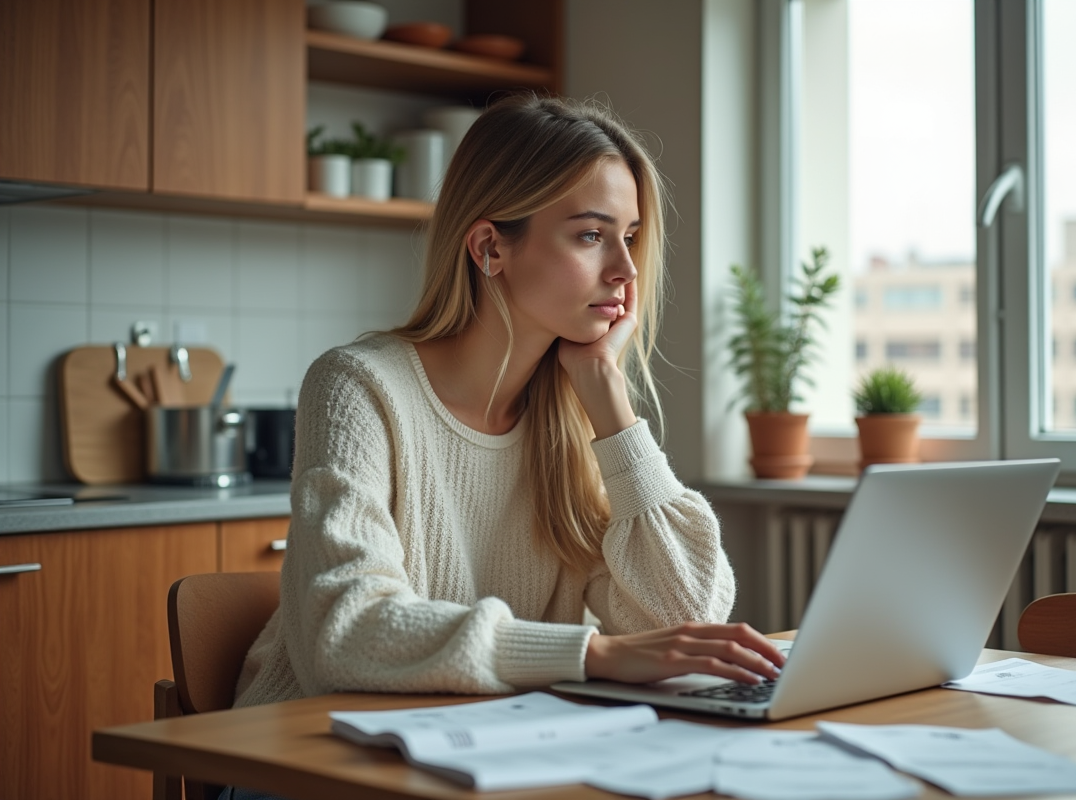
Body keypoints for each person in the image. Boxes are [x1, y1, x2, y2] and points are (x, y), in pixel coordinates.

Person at [231, 94, 784, 721]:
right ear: (491, 248)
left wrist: (608, 397)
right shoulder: (359, 387)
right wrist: (593, 654)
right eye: (591, 235)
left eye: (629, 237)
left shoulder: (575, 419)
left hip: (487, 747)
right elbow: (350, 631)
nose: (626, 269)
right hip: (306, 756)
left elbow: (688, 621)